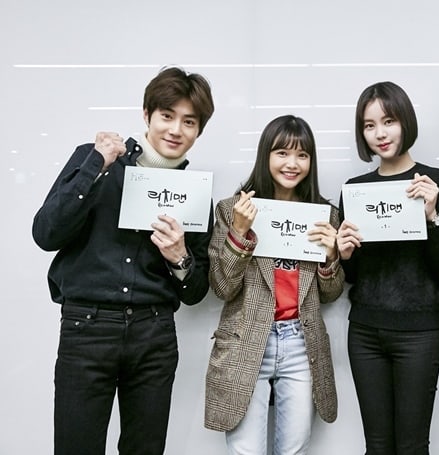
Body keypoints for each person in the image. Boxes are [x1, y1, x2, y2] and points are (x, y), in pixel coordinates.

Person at [32, 67, 215, 455]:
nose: (176, 130)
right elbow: (46, 233)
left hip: (154, 333)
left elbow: (196, 292)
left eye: (189, 121)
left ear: (199, 130)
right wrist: (95, 167)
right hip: (87, 328)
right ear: (147, 114)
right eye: (167, 115)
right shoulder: (96, 161)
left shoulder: (196, 195)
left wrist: (179, 257)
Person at [204, 114, 344, 454]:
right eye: (282, 153)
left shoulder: (324, 215)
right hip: (246, 339)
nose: (292, 164)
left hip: (301, 343)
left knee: (294, 450)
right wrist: (239, 232)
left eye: (302, 155)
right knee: (246, 450)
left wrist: (330, 257)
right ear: (265, 155)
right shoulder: (232, 210)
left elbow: (331, 294)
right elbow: (222, 287)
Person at [336, 81, 439, 454]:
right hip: (365, 331)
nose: (380, 133)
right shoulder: (355, 190)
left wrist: (433, 217)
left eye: (388, 121)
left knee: (412, 446)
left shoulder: (437, 182)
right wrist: (344, 255)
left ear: (405, 121)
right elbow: (353, 276)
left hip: (419, 332)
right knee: (376, 446)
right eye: (369, 125)